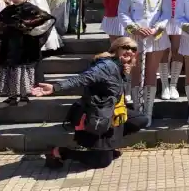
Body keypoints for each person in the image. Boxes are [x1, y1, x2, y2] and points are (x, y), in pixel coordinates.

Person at [35, 37, 148, 169]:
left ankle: (107, 148)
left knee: (141, 119)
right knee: (102, 162)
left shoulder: (121, 66)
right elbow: (83, 78)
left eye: (133, 49)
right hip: (95, 115)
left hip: (110, 112)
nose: (129, 51)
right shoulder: (106, 66)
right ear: (116, 48)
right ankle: (61, 152)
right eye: (126, 47)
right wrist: (55, 87)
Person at [118, 0, 172, 126]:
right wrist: (134, 29)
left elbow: (166, 13)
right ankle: (136, 112)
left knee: (150, 73)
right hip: (135, 37)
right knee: (135, 73)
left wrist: (157, 28)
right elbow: (122, 12)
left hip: (155, 38)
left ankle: (147, 112)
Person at [0, 0, 56, 108]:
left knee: (23, 70)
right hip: (9, 45)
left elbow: (47, 19)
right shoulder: (8, 10)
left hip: (25, 45)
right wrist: (4, 29)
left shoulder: (31, 9)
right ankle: (12, 97)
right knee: (10, 69)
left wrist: (28, 28)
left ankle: (24, 96)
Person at [157, 0, 189, 101]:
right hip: (162, 19)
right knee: (163, 51)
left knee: (177, 51)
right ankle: (164, 85)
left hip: (178, 19)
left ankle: (173, 85)